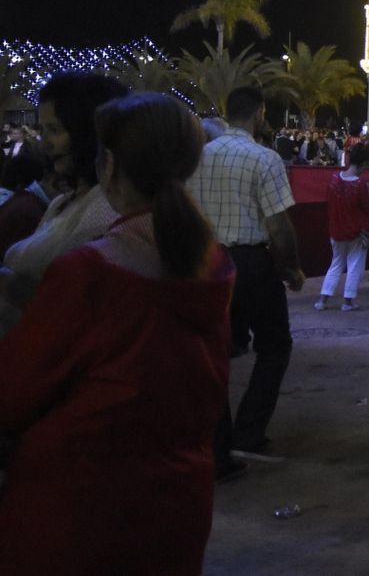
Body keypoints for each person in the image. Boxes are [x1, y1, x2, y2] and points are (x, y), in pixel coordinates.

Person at [0, 93, 233, 574]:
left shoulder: (91, 272)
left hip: (78, 512)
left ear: (108, 168)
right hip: (176, 508)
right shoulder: (211, 264)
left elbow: (13, 391)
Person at [188, 85, 303, 463]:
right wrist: (290, 267)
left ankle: (217, 440)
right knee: (274, 345)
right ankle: (249, 431)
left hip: (206, 260)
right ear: (258, 114)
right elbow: (279, 225)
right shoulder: (263, 159)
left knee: (215, 348)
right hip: (250, 262)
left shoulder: (198, 156)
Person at [0, 72, 128, 338]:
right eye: (43, 129)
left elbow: (73, 303)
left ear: (89, 133)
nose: (44, 142)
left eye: (55, 130)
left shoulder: (106, 208)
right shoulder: (62, 202)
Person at [315, 143, 369, 311]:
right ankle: (347, 301)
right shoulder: (361, 184)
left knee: (335, 264)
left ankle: (322, 300)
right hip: (356, 232)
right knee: (355, 265)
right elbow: (367, 208)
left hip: (336, 231)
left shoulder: (334, 179)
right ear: (363, 164)